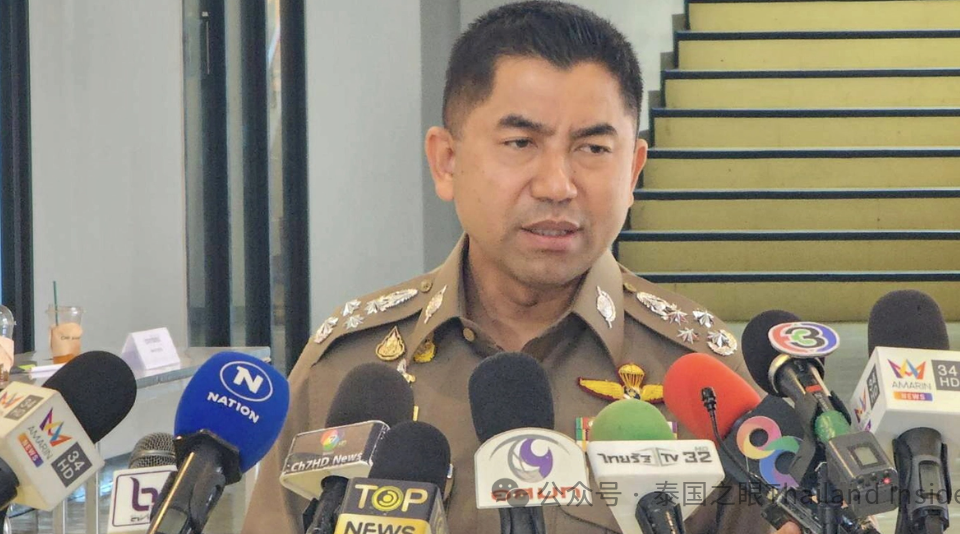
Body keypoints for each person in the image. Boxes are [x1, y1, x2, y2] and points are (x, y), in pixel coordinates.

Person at [243, 2, 800, 533]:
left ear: (633, 172)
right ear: (447, 162)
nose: (557, 185)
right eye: (520, 142)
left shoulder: (700, 377)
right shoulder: (350, 369)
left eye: (593, 149)